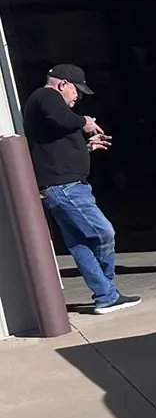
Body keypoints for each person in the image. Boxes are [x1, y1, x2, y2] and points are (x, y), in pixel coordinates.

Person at [21, 64, 140, 314]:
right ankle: (108, 289)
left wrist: (85, 148)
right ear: (63, 84)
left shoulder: (48, 107)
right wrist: (84, 121)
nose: (78, 97)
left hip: (63, 184)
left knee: (80, 243)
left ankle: (105, 296)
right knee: (103, 233)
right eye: (77, 91)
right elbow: (62, 119)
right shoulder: (47, 96)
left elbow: (55, 143)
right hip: (64, 187)